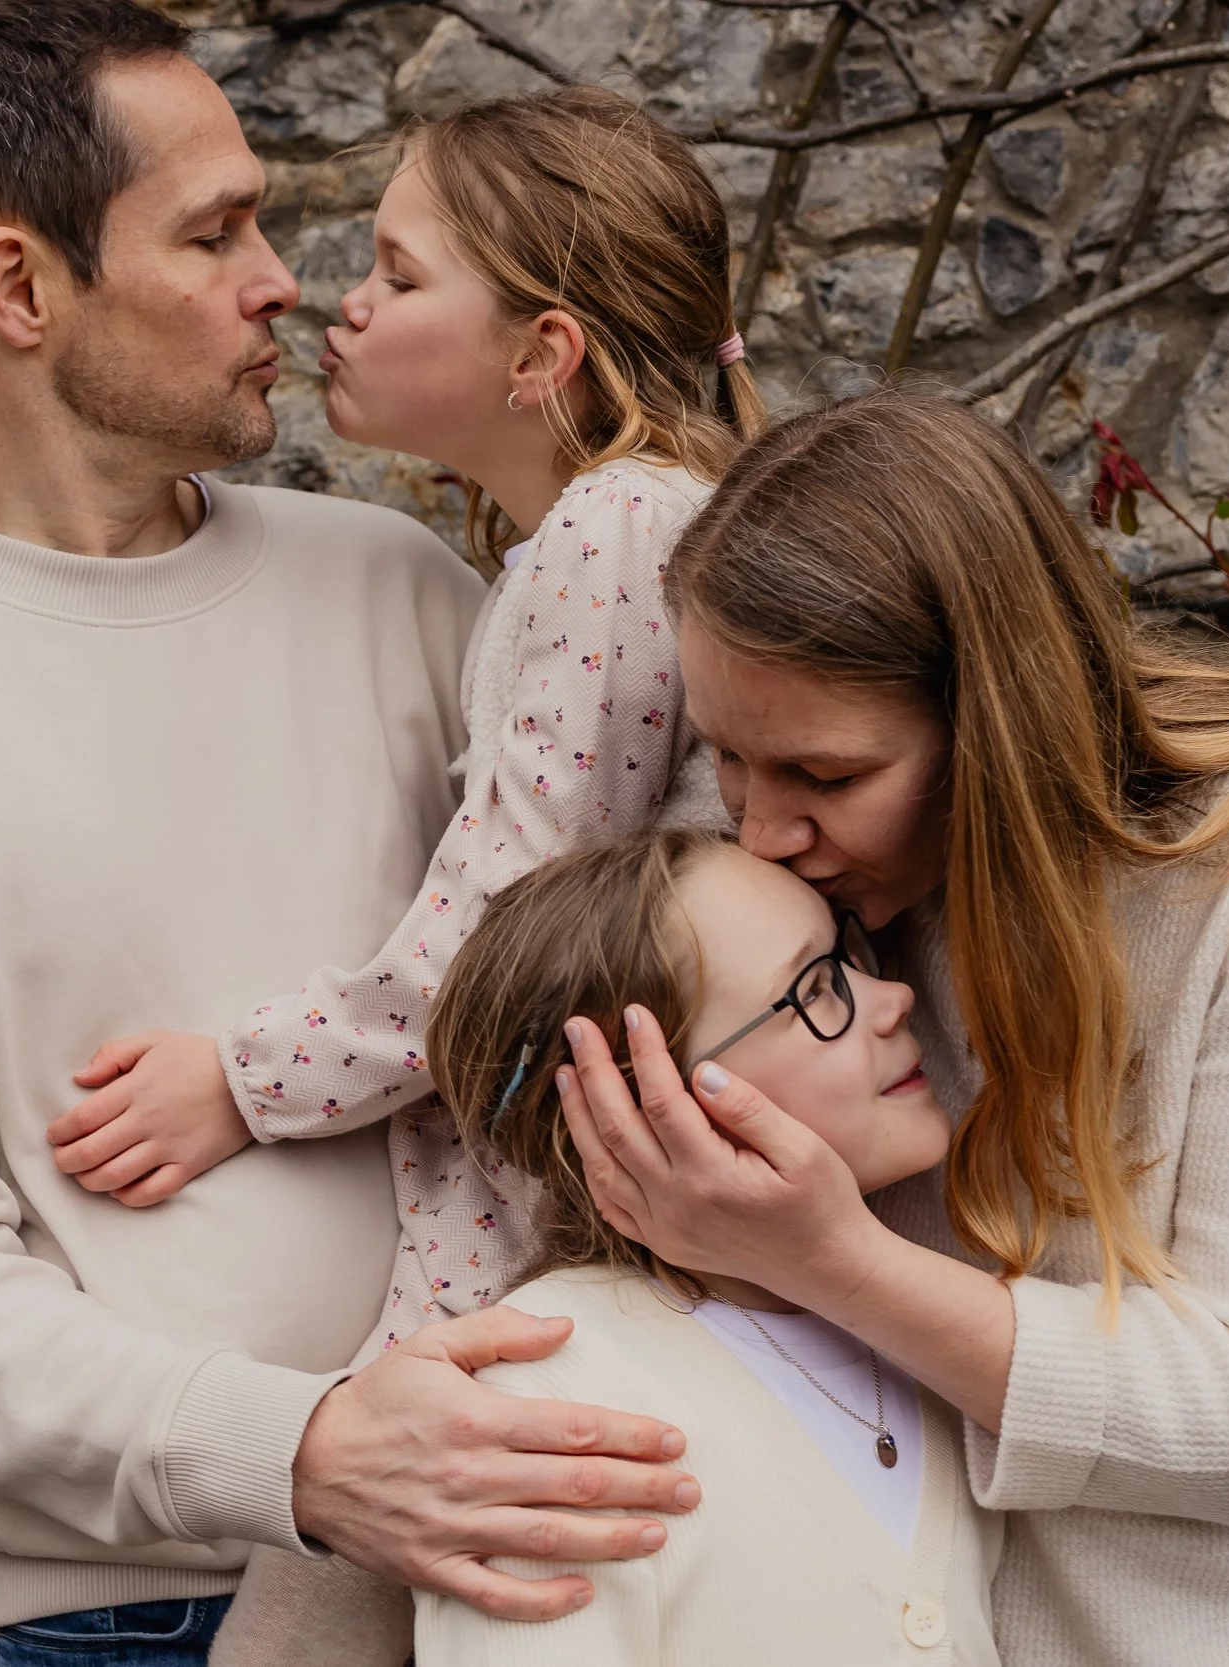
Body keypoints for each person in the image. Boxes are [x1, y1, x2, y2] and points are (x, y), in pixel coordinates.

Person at [0, 7, 696, 1662]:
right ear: (19, 288)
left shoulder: (404, 586)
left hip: (558, 1538)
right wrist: (305, 1451)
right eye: (214, 235)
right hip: (151, 1608)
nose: (281, 277)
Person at [554, 390, 1229, 1664]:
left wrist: (834, 1259)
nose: (761, 829)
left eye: (825, 775)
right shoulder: (806, 888)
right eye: (729, 757)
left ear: (997, 720)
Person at [41, 86, 764, 1346]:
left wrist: (243, 1078)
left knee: (347, 1515)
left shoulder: (613, 531)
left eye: (399, 275)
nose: (344, 303)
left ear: (541, 355)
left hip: (565, 1218)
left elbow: (510, 925)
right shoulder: (622, 527)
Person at [411, 828, 1002, 1666]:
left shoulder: (933, 1333)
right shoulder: (552, 1397)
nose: (892, 996)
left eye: (852, 952)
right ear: (635, 1106)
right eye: (816, 987)